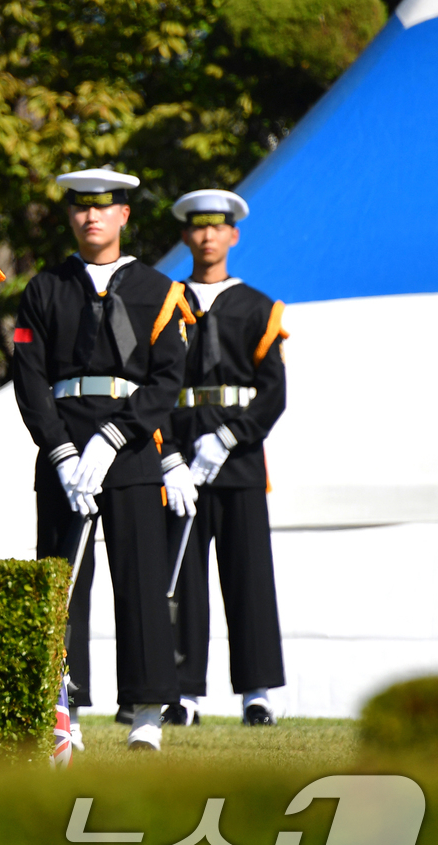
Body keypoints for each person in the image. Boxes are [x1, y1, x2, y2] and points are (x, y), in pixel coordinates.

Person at [11, 169, 193, 751]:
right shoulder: (43, 289)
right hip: (64, 448)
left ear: (124, 216)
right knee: (63, 584)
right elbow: (28, 376)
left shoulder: (160, 291)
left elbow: (167, 380)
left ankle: (146, 711)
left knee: (139, 580)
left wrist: (116, 436)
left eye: (104, 208)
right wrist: (61, 450)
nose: (92, 217)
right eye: (82, 208)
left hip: (133, 449)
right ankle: (66, 706)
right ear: (71, 217)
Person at [161, 189, 288, 727]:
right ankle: (181, 694)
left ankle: (256, 693)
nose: (207, 236)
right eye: (197, 227)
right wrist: (169, 454)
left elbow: (274, 392)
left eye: (217, 227)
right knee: (181, 575)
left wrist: (230, 437)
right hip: (182, 456)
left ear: (233, 235)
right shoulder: (164, 301)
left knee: (249, 576)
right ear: (186, 234)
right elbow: (154, 385)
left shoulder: (259, 306)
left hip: (236, 459)